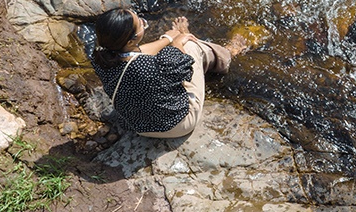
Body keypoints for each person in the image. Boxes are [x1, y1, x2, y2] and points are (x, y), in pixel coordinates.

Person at [91, 8, 246, 138]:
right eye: (141, 24)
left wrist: (167, 38)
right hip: (176, 125)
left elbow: (134, 54)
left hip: (140, 127)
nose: (143, 23)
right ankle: (228, 53)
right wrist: (179, 40)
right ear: (131, 41)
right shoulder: (149, 67)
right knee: (191, 46)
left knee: (169, 49)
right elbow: (183, 66)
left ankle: (183, 38)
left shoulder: (100, 57)